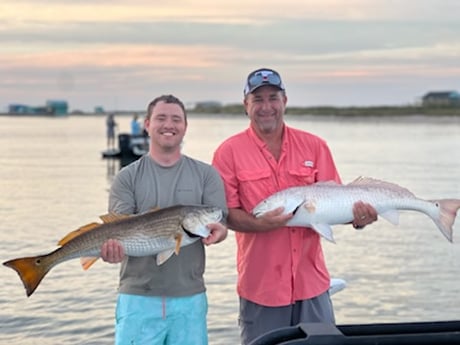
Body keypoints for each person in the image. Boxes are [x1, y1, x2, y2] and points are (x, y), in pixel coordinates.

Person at [212, 68, 378, 344]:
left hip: (312, 284)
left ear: (285, 101)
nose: (267, 107)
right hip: (261, 288)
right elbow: (226, 215)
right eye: (258, 99)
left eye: (273, 98)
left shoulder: (315, 146)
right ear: (246, 105)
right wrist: (260, 225)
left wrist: (358, 219)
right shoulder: (228, 152)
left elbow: (336, 204)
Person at [100, 94, 228, 345]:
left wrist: (220, 232)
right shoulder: (126, 177)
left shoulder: (206, 175)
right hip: (137, 299)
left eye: (176, 119)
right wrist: (109, 252)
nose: (168, 124)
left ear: (185, 126)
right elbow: (117, 229)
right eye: (161, 118)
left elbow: (220, 220)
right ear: (147, 124)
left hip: (190, 299)